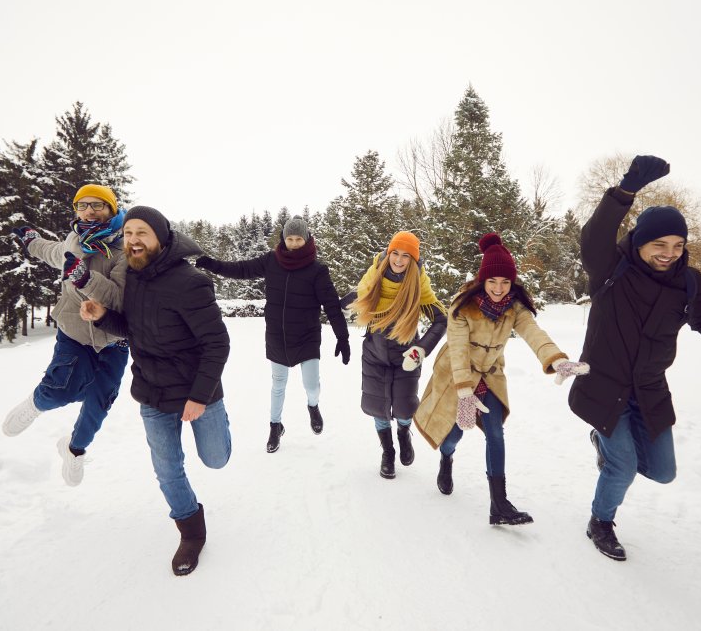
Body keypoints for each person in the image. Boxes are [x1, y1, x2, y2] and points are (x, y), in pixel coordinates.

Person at [570, 155, 701, 561]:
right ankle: (600, 522)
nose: (669, 253)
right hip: (605, 385)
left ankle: (605, 450)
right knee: (622, 468)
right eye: (660, 245)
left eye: (677, 246)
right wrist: (624, 192)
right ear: (639, 242)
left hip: (650, 388)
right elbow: (593, 237)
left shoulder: (687, 282)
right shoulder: (611, 270)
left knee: (662, 471)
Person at [79, 206, 232, 577]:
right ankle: (191, 532)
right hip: (152, 391)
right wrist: (102, 316)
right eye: (128, 233)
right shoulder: (131, 278)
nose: (132, 240)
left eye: (141, 233)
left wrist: (198, 398)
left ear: (161, 238)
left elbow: (218, 343)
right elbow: (134, 329)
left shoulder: (190, 281)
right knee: (167, 469)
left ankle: (219, 424)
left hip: (198, 392)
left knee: (216, 459)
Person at [415, 233, 589, 525]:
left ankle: (499, 505)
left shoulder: (514, 307)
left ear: (512, 283)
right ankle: (446, 458)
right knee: (456, 432)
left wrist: (555, 359)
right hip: (460, 378)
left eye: (505, 282)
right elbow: (457, 350)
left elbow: (535, 334)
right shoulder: (462, 306)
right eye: (493, 281)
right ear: (482, 280)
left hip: (490, 375)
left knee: (495, 432)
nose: (498, 288)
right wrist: (464, 391)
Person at [2, 184, 129, 487]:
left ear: (111, 209)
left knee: (100, 402)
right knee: (61, 388)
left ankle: (74, 450)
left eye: (97, 205)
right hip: (73, 330)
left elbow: (117, 298)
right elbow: (51, 251)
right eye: (82, 206)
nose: (88, 211)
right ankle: (34, 404)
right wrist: (31, 240)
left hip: (113, 338)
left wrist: (83, 277)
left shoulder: (125, 249)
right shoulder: (73, 241)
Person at [195, 216, 350, 453]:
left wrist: (343, 337)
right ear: (283, 238)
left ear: (306, 239)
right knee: (278, 384)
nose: (294, 243)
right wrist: (213, 264)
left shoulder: (317, 270)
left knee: (311, 384)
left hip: (307, 335)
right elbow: (242, 269)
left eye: (299, 238)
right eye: (290, 238)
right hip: (277, 335)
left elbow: (330, 304)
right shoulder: (272, 261)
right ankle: (275, 426)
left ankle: (313, 405)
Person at [342, 231, 447, 479]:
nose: (399, 260)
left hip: (405, 357)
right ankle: (387, 452)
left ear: (413, 260)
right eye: (395, 254)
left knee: (403, 407)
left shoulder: (418, 284)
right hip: (374, 353)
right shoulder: (373, 278)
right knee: (378, 407)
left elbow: (441, 319)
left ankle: (403, 433)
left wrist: (421, 349)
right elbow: (346, 302)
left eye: (405, 256)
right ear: (388, 254)